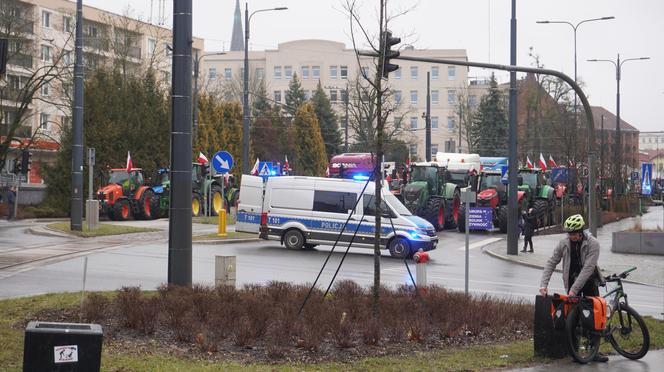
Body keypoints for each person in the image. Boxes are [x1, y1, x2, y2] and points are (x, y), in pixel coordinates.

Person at [539, 214, 607, 362]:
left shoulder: (593, 244)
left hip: (589, 281)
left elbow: (588, 268)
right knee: (574, 318)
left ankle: (594, 351)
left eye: (574, 234)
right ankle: (574, 349)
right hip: (571, 281)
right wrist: (543, 285)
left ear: (581, 232)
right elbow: (551, 262)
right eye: (569, 234)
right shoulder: (563, 243)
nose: (572, 237)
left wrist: (574, 290)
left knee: (592, 316)